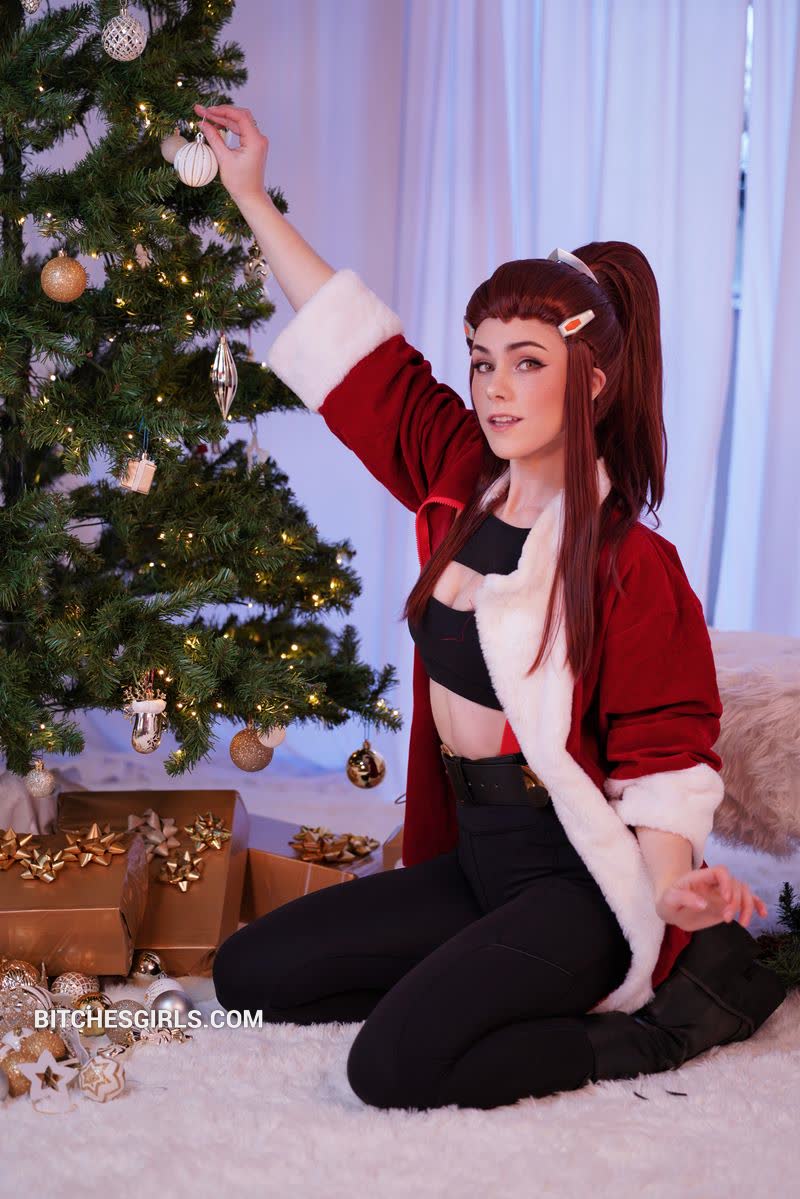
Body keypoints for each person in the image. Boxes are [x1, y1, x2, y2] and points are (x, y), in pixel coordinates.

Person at [195, 102, 787, 1111]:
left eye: (527, 361)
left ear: (589, 381)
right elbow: (358, 360)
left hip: (577, 882)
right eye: (481, 357)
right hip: (476, 859)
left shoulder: (631, 564)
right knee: (250, 975)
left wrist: (668, 886)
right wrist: (250, 194)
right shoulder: (457, 471)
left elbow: (665, 760)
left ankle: (655, 1029)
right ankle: (477, 979)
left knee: (390, 1067)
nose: (494, 388)